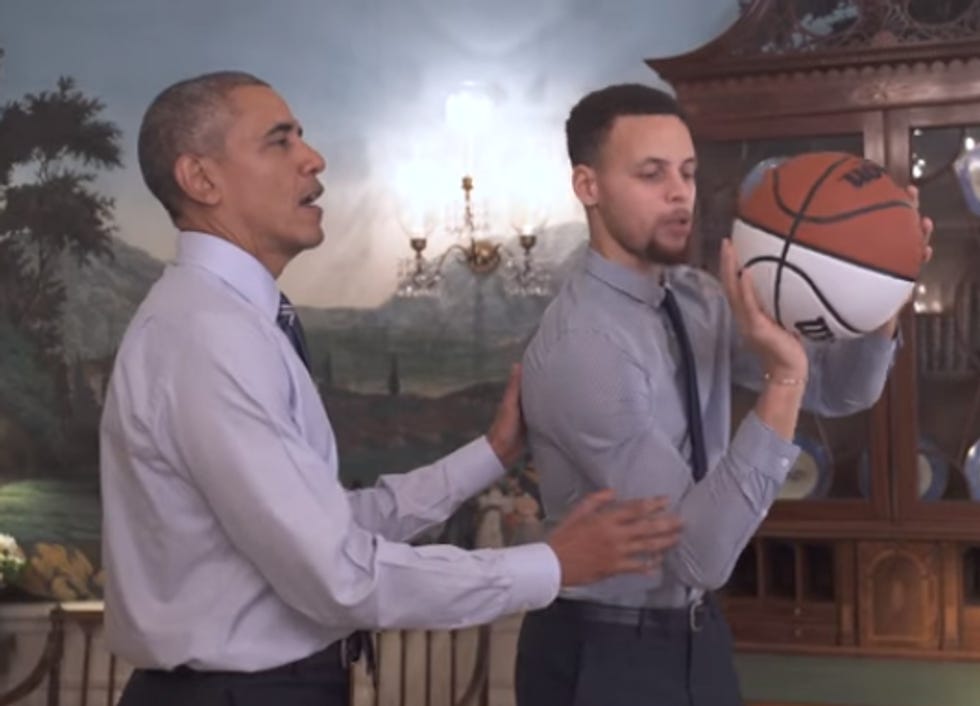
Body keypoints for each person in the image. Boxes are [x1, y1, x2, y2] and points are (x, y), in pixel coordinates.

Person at [99, 72, 685, 706]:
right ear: (201, 179)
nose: (314, 159)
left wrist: (490, 454)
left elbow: (327, 527)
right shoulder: (209, 336)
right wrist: (552, 564)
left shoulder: (232, 322)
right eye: (279, 140)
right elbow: (337, 575)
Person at [515, 83, 931, 706]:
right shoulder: (585, 348)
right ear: (588, 186)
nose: (679, 192)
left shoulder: (699, 297)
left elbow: (842, 391)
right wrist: (783, 380)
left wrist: (881, 295)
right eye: (651, 174)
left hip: (699, 633)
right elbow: (697, 554)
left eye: (686, 172)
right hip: (600, 651)